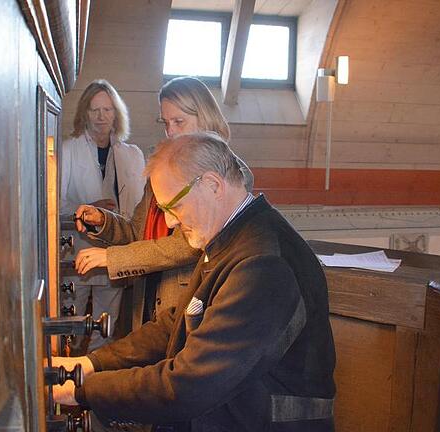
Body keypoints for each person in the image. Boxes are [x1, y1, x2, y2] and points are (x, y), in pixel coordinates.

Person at [53, 132, 336, 431]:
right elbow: (176, 324)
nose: (171, 222)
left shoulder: (263, 264)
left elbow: (190, 385)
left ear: (212, 185)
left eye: (173, 207)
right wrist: (93, 364)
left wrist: (83, 390)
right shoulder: (228, 238)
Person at [71, 77, 253, 332]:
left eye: (179, 121)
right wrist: (104, 221)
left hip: (186, 298)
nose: (171, 132)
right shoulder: (166, 166)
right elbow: (137, 231)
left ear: (205, 116)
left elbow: (187, 245)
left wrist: (113, 257)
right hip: (149, 294)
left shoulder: (229, 172)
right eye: (166, 123)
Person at [59, 79, 145, 351]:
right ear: (84, 112)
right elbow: (55, 204)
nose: (101, 116)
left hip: (115, 250)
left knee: (107, 322)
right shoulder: (69, 149)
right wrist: (89, 208)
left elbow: (139, 205)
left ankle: (97, 375)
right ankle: (66, 370)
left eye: (107, 110)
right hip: (77, 250)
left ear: (116, 114)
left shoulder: (132, 154)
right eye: (94, 110)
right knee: (69, 318)